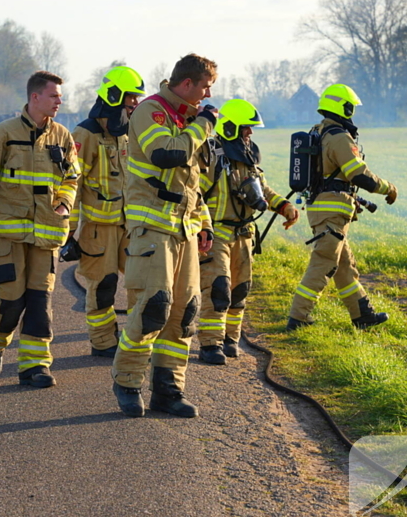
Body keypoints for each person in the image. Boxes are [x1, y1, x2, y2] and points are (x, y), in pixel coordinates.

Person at [111, 54, 218, 418]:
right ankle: (127, 382)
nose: (206, 96)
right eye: (204, 87)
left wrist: (203, 222)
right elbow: (165, 155)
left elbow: (191, 184)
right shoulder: (151, 112)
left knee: (184, 313)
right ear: (186, 84)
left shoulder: (185, 120)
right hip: (153, 228)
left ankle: (168, 389)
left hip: (184, 231)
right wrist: (202, 126)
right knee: (152, 309)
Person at [0, 71, 80, 387]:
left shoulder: (63, 137)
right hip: (8, 236)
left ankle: (35, 366)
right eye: (54, 95)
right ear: (35, 97)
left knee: (40, 302)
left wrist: (65, 204)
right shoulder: (4, 134)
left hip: (47, 235)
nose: (59, 101)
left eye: (59, 96)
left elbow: (73, 177)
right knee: (11, 300)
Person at [287, 83, 398, 331]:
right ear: (344, 108)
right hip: (332, 211)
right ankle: (298, 318)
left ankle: (362, 314)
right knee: (323, 262)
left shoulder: (318, 132)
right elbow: (358, 174)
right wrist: (387, 188)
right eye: (351, 108)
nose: (353, 113)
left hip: (324, 208)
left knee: (345, 266)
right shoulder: (338, 137)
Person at [196, 99, 299, 365]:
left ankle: (231, 340)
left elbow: (262, 190)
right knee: (218, 288)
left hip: (244, 235)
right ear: (231, 127)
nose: (250, 134)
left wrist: (284, 206)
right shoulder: (211, 154)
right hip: (216, 232)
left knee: (240, 289)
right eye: (246, 128)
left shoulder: (248, 157)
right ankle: (210, 344)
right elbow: (195, 193)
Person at [70, 66, 146, 357]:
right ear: (114, 96)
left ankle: (136, 340)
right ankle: (103, 343)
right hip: (98, 230)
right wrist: (68, 233)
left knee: (141, 283)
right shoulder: (85, 134)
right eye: (131, 97)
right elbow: (71, 184)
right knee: (103, 287)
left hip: (131, 227)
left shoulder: (128, 132)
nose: (135, 104)